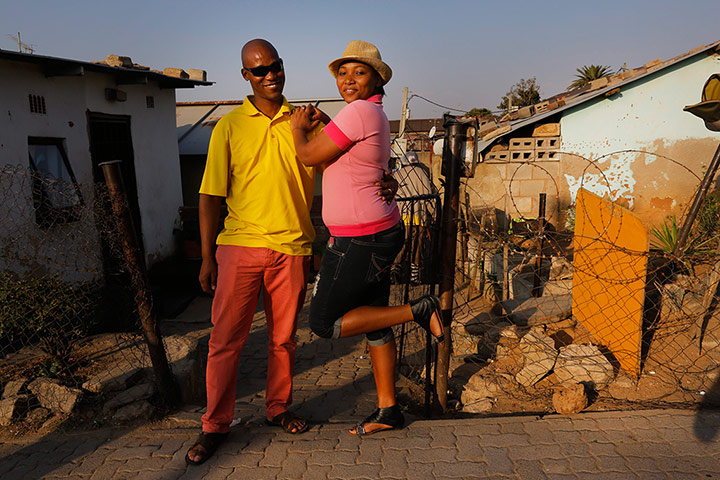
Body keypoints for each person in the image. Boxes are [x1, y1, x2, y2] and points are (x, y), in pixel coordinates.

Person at [185, 39, 398, 465]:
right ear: (246, 75)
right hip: (240, 246)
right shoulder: (229, 126)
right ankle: (215, 425)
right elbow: (209, 195)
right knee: (226, 341)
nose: (270, 75)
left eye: (276, 66)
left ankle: (278, 408)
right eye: (260, 70)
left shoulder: (305, 121)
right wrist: (207, 256)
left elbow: (347, 162)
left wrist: (386, 178)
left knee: (284, 341)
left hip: (293, 247)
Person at [290, 40, 444, 436]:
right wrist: (325, 122)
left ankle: (419, 310)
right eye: (342, 73)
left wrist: (297, 130)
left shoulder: (358, 111)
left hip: (361, 239)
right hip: (377, 231)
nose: (348, 79)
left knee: (324, 323)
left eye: (359, 72)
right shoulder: (367, 113)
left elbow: (308, 156)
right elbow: (352, 159)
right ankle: (389, 411)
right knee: (375, 325)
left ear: (377, 78)